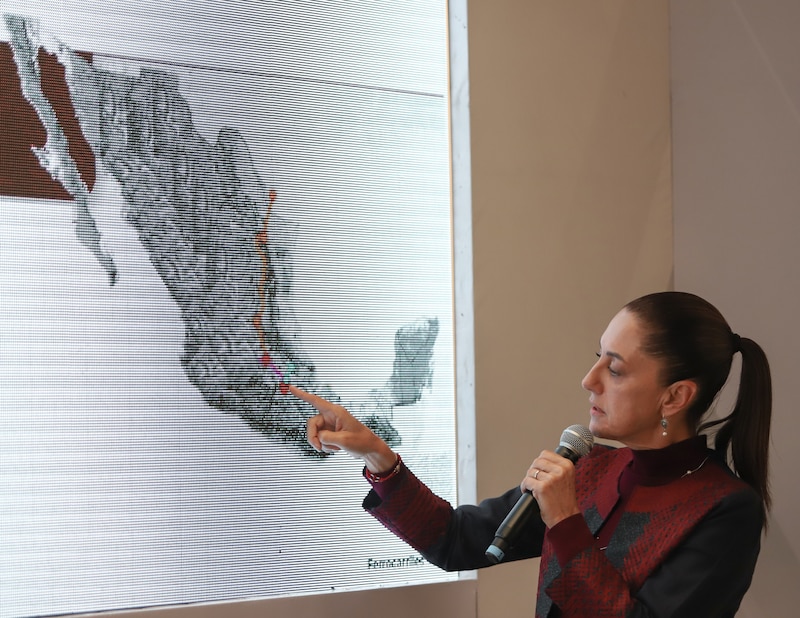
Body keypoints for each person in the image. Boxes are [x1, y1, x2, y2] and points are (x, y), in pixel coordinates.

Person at [290, 291, 772, 617]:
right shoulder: (591, 468)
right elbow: (454, 540)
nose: (590, 378)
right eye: (597, 355)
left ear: (674, 397)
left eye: (616, 369)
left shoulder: (725, 509)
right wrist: (379, 457)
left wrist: (564, 521)